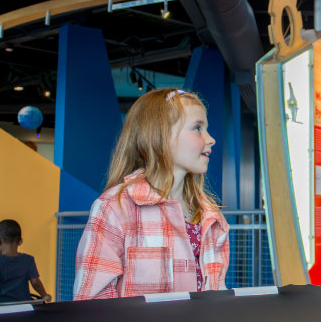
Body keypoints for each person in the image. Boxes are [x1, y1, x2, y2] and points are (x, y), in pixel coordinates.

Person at [73, 87, 227, 299]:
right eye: (198, 128)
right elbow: (92, 303)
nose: (211, 139)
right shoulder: (115, 207)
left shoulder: (210, 215)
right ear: (160, 134)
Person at [0, 219, 48, 302]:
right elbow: (35, 282)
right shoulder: (28, 260)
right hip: (23, 307)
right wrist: (44, 295)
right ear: (20, 241)